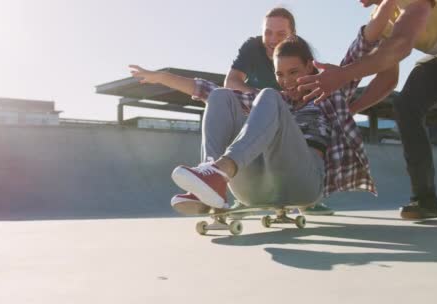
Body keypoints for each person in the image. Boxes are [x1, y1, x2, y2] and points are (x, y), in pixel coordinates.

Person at [129, 0, 398, 214]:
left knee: (268, 96)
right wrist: (159, 76)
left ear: (309, 67)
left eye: (294, 73)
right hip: (257, 188)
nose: (287, 81)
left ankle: (220, 172)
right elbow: (203, 89)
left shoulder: (330, 90)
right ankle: (211, 182)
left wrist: (388, 4)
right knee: (223, 95)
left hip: (304, 186)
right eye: (281, 75)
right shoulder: (275, 101)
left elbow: (363, 43)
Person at [297, 0, 437, 221]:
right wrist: (351, 110)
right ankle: (424, 199)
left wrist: (342, 74)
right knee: (406, 105)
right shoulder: (383, 20)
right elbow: (388, 78)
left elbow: (402, 43)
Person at [227, 6, 334, 215]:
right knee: (223, 98)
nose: (272, 39)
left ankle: (309, 198)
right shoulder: (252, 47)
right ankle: (224, 184)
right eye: (267, 32)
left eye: (280, 34)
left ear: (292, 37)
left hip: (293, 124)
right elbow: (230, 82)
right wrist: (262, 99)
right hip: (259, 113)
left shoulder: (300, 54)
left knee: (306, 129)